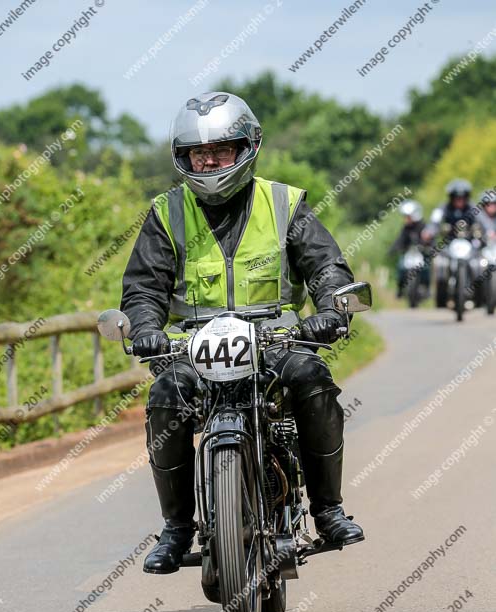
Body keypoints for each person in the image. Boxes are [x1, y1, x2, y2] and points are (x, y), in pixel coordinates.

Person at [121, 92, 364, 575]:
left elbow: (326, 270)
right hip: (195, 347)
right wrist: (145, 328)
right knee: (165, 396)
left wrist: (332, 310)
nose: (208, 161)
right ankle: (176, 528)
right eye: (198, 153)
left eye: (221, 150)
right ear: (183, 158)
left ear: (249, 147)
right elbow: (144, 288)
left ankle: (328, 510)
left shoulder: (284, 203)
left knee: (313, 380)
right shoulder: (166, 212)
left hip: (275, 342)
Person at [389, 200, 426, 297]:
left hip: (421, 253)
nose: (406, 219)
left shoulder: (422, 226)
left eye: (408, 217)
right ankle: (400, 289)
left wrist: (428, 247)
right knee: (401, 267)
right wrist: (393, 249)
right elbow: (400, 239)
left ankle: (426, 288)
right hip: (409, 253)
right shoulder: (406, 228)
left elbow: (429, 239)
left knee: (426, 268)